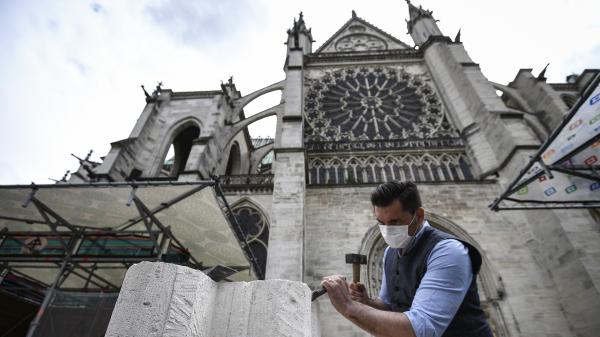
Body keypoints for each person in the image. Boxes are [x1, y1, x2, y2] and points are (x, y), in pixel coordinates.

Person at [321, 181, 493, 337]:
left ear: (418, 216)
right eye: (381, 223)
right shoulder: (390, 252)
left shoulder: (449, 251)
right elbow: (390, 305)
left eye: (395, 222)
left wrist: (347, 306)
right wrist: (368, 302)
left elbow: (421, 329)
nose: (387, 230)